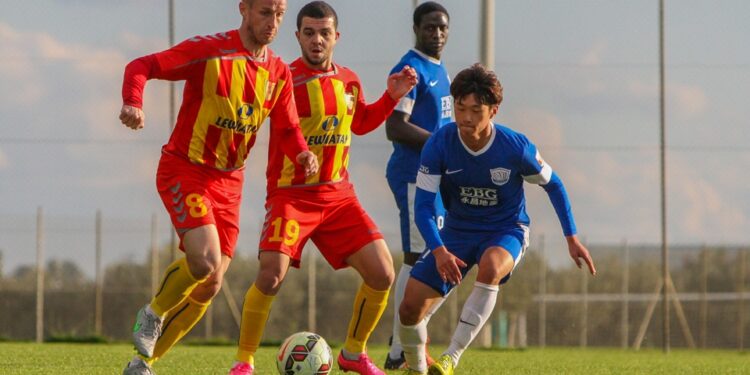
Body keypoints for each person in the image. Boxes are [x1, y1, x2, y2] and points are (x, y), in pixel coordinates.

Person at [119, 0, 318, 374]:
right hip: (185, 169)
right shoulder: (210, 52)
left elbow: (289, 128)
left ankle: (143, 363)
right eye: (264, 12)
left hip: (230, 182)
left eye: (279, 13)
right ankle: (153, 312)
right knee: (205, 260)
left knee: (210, 284)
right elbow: (142, 65)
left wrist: (303, 153)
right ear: (243, 8)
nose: (273, 22)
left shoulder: (277, 72)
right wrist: (133, 102)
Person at [228, 2, 417, 375]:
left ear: (336, 37)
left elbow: (360, 122)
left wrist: (390, 99)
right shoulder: (283, 78)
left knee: (383, 272)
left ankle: (352, 353)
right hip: (291, 195)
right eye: (309, 33)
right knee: (271, 274)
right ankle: (244, 361)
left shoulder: (348, 79)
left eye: (324, 33)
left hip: (338, 197)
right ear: (297, 36)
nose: (317, 40)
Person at [398, 64, 597, 375]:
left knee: (491, 266)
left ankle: (451, 357)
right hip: (455, 232)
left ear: (493, 110)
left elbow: (554, 184)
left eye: (476, 110)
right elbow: (422, 207)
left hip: (506, 230)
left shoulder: (514, 147)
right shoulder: (439, 143)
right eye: (460, 108)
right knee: (409, 309)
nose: (465, 118)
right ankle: (418, 368)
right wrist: (438, 250)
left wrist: (571, 237)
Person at [384, 2, 452, 370]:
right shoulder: (410, 69)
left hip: (435, 177)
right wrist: (442, 145)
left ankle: (409, 333)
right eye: (429, 27)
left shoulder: (439, 70)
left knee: (440, 255)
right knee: (417, 257)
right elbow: (395, 126)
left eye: (442, 28)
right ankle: (399, 348)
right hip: (413, 175)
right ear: (415, 28)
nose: (437, 34)